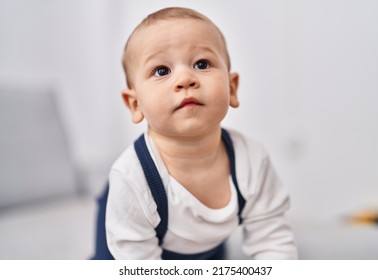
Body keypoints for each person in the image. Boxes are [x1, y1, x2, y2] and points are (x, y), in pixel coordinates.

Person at [105, 6, 298, 260]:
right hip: (130, 248)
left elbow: (272, 240)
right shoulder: (132, 179)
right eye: (162, 70)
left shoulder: (252, 161)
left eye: (202, 63)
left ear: (232, 88)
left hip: (205, 249)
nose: (185, 78)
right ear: (135, 104)